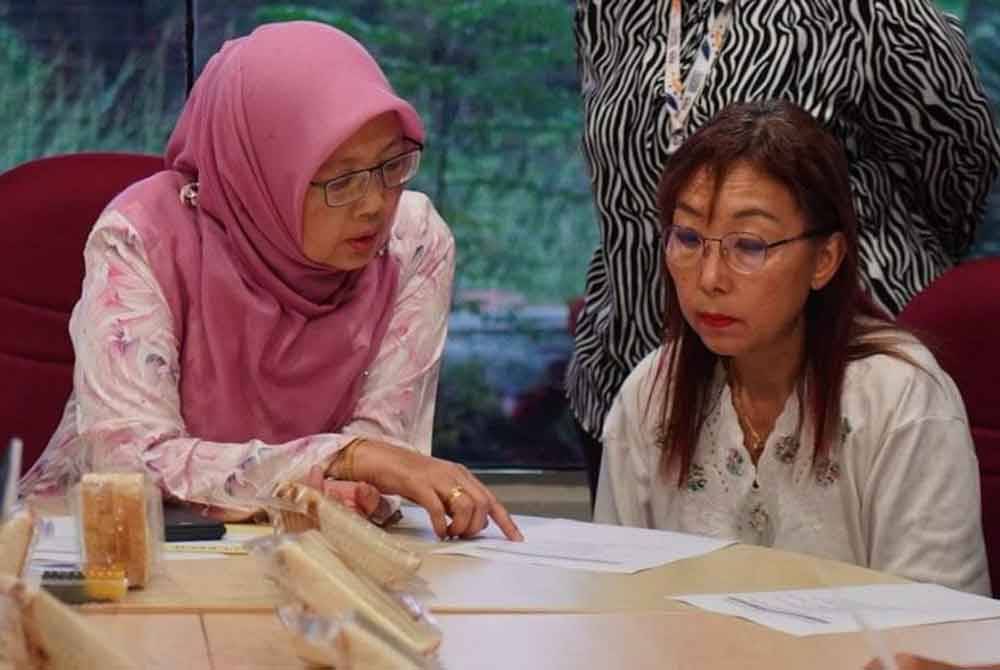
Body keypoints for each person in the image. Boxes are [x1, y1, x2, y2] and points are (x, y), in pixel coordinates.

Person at [18, 21, 522, 542]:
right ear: (262, 173)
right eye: (342, 179)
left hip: (312, 548)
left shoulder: (411, 241)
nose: (375, 204)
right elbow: (130, 461)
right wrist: (341, 460)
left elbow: (387, 451)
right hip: (112, 553)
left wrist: (357, 482)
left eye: (391, 165)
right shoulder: (141, 237)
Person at [567, 0, 1000, 500]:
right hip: (637, 374)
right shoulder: (608, 10)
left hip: (832, 382)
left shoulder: (871, 13)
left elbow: (960, 175)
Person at [593, 100, 989, 595]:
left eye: (750, 245)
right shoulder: (649, 394)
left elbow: (937, 632)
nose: (709, 278)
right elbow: (617, 606)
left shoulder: (900, 399)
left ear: (825, 258)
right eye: (689, 238)